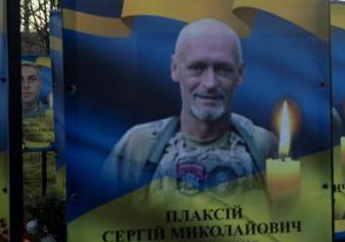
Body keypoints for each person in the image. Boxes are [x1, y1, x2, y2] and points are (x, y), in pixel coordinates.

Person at [101, 18, 277, 196]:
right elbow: (100, 219)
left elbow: (289, 217)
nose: (210, 83)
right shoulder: (139, 145)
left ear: (239, 74)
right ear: (175, 69)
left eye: (223, 69)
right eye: (197, 68)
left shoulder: (263, 146)